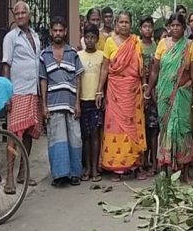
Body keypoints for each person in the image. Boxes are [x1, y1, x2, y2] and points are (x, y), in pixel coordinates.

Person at [144, 14, 193, 181]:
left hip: (183, 92)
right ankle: (164, 168)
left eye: (178, 25)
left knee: (183, 129)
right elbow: (155, 70)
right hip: (164, 93)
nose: (175, 28)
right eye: (172, 25)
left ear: (184, 27)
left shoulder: (189, 46)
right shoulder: (162, 44)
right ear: (168, 27)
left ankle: (184, 172)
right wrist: (148, 91)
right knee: (165, 129)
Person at [97, 11, 147, 181]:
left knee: (134, 127)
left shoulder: (136, 42)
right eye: (121, 22)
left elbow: (142, 68)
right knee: (116, 127)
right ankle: (116, 168)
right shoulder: (110, 42)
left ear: (131, 24)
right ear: (116, 24)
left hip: (133, 91)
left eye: (127, 22)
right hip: (115, 91)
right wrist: (99, 90)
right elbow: (105, 67)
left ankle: (135, 165)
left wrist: (145, 84)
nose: (124, 25)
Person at [40, 17, 84, 186]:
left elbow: (78, 79)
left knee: (75, 138)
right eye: (55, 30)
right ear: (51, 32)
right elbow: (43, 80)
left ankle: (74, 174)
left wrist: (78, 103)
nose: (58, 33)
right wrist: (43, 106)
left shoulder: (72, 53)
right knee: (57, 140)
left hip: (71, 103)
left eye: (61, 30)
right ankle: (59, 175)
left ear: (65, 32)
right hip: (53, 103)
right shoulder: (44, 55)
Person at [2, 1, 42, 191]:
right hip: (17, 91)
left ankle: (22, 174)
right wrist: (7, 93)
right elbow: (6, 65)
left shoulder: (35, 36)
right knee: (13, 135)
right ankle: (9, 176)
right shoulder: (11, 37)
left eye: (22, 13)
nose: (19, 16)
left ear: (29, 15)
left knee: (28, 133)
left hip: (33, 91)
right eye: (16, 13)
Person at [78, 23, 104, 182]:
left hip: (96, 101)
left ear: (97, 39)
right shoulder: (78, 55)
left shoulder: (102, 55)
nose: (89, 40)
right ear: (83, 38)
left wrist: (104, 96)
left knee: (95, 135)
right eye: (87, 37)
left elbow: (105, 79)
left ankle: (95, 167)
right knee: (85, 136)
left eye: (92, 37)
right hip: (82, 100)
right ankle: (87, 167)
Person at [140, 17, 160, 175]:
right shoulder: (136, 46)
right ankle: (143, 161)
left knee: (154, 129)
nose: (147, 29)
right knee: (143, 128)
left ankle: (154, 160)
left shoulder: (157, 46)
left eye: (149, 26)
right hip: (141, 90)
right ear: (140, 29)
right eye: (144, 26)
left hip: (158, 91)